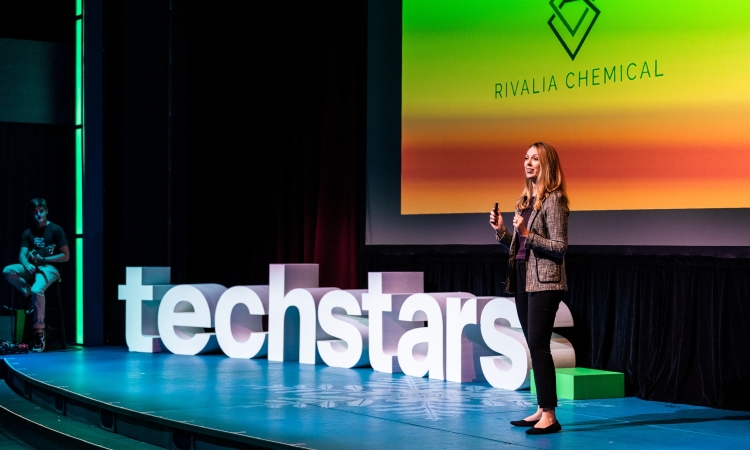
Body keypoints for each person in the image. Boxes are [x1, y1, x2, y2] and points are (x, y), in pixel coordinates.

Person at [489, 142, 569, 435]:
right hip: (523, 278)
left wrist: (526, 233)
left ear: (546, 165)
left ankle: (550, 415)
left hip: (546, 282)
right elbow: (519, 248)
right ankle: (540, 408)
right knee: (532, 347)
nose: (528, 163)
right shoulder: (524, 201)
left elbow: (559, 248)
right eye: (526, 158)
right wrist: (503, 234)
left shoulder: (555, 200)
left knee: (539, 345)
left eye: (535, 159)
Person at [3, 198, 69, 352]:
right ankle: (26, 291)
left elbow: (65, 256)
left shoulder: (56, 230)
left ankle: (39, 331)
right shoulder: (28, 232)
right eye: (35, 212)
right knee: (8, 271)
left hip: (50, 268)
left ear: (46, 211)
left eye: (41, 211)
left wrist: (43, 259)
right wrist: (27, 264)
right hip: (33, 266)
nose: (38, 215)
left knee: (37, 290)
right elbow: (22, 255)